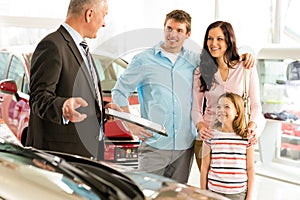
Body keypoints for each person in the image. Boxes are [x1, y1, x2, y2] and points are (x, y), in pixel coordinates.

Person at [112, 10, 254, 183]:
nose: (173, 35)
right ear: (164, 28)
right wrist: (130, 125)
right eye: (169, 28)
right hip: (154, 145)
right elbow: (119, 92)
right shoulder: (143, 60)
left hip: (184, 148)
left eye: (179, 30)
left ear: (188, 34)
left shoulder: (197, 62)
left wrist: (244, 57)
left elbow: (222, 58)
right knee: (146, 193)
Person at [26, 0, 119, 160]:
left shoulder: (81, 47)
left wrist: (103, 109)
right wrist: (62, 106)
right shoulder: (53, 45)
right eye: (103, 16)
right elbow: (38, 98)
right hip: (60, 156)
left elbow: (78, 95)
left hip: (85, 153)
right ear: (89, 14)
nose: (104, 24)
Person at [192, 21, 265, 173]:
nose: (213, 43)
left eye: (219, 39)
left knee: (234, 188)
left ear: (229, 40)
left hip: (237, 140)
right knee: (210, 190)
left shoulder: (245, 68)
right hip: (208, 139)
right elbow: (195, 108)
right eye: (210, 39)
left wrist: (252, 127)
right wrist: (201, 127)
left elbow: (256, 106)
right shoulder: (201, 72)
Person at [200, 92, 255, 200]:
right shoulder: (210, 136)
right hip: (213, 191)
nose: (221, 110)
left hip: (237, 194)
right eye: (219, 107)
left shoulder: (246, 138)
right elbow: (204, 167)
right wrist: (203, 193)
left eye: (226, 107)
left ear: (237, 112)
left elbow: (250, 169)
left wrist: (249, 197)